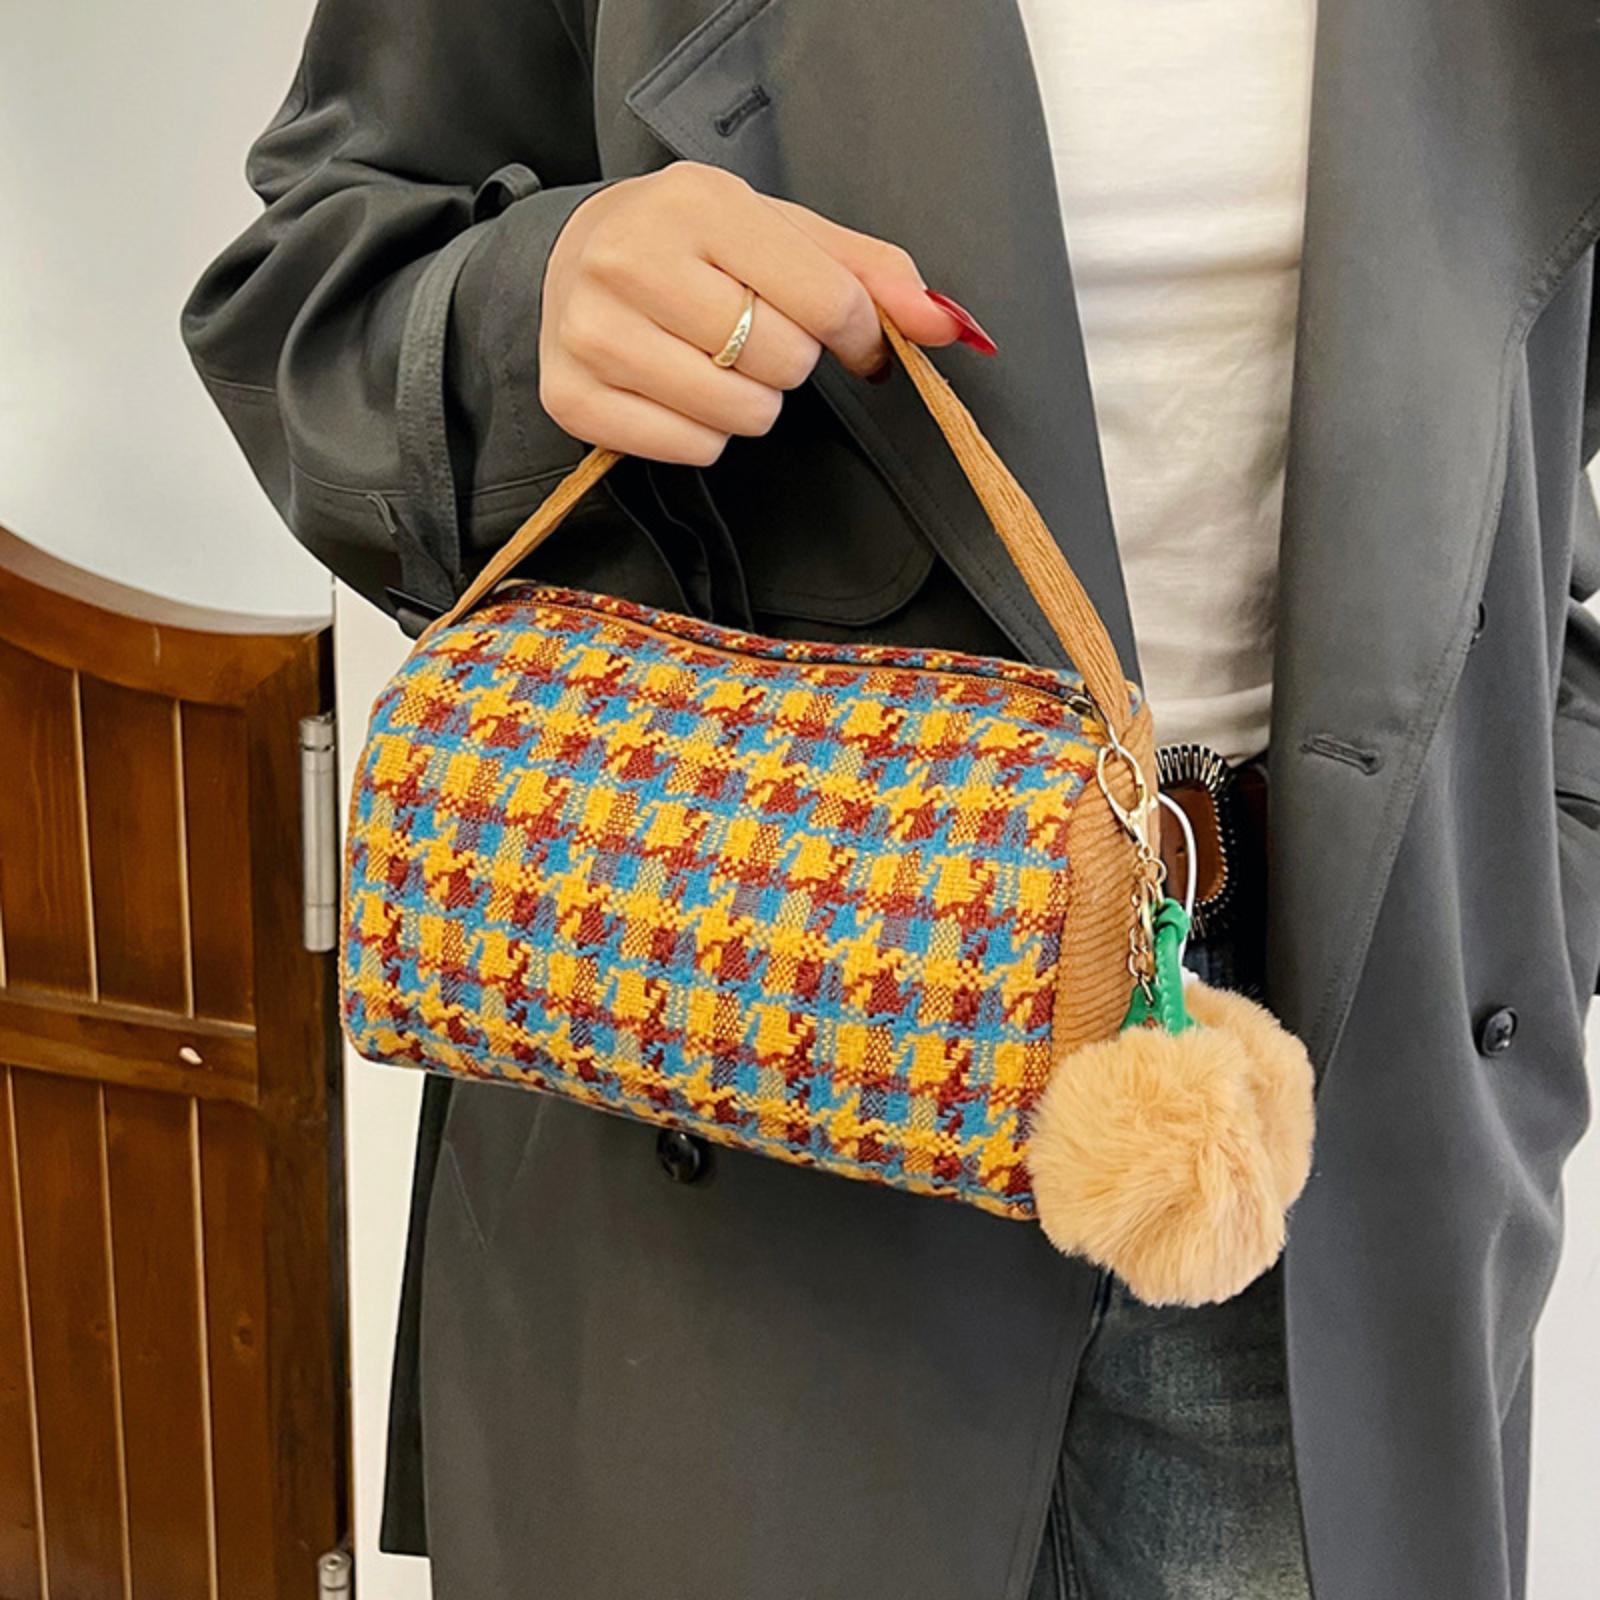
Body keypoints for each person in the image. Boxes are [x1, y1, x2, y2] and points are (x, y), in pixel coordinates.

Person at [182, 2, 1600, 1596]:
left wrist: (1533, 886)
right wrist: (535, 307)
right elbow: (304, 293)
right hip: (751, 1085)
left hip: (1333, 1132)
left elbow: (1534, 428)